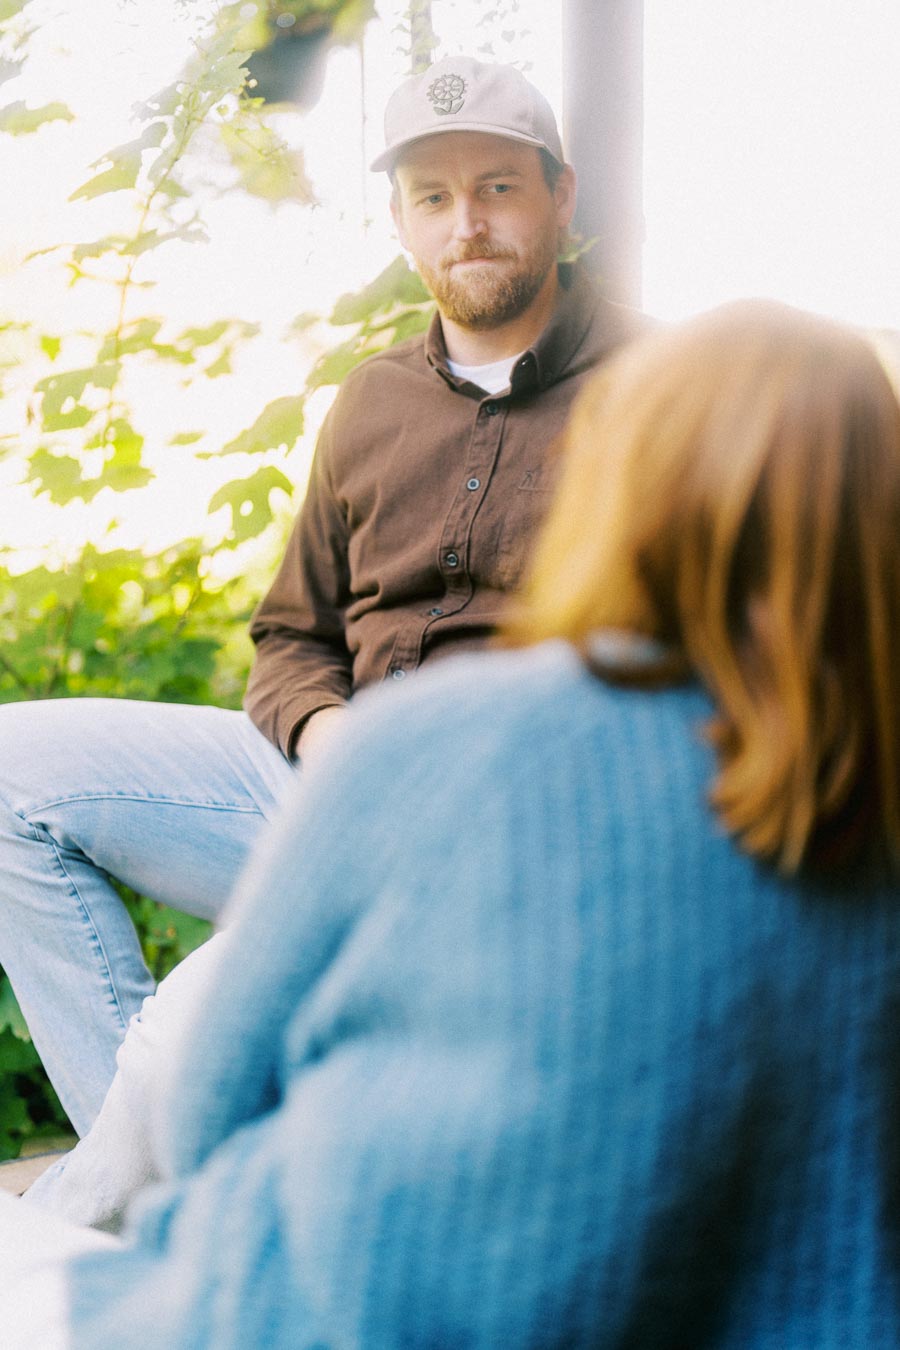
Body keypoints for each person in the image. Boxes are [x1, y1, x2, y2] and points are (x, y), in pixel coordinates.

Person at [3, 296, 900, 1348]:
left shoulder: (462, 740)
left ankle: (92, 1226)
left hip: (329, 1300)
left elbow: (207, 1106)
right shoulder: (375, 402)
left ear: (626, 485)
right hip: (323, 761)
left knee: (139, 1135)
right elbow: (290, 637)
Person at [0, 55, 644, 1139]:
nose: (466, 223)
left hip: (502, 827)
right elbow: (291, 633)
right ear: (399, 220)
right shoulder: (371, 400)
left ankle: (144, 1202)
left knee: (209, 1024)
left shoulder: (661, 391)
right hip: (318, 783)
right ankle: (170, 1177)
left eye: (497, 186)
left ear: (560, 194)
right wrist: (328, 730)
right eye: (432, 198)